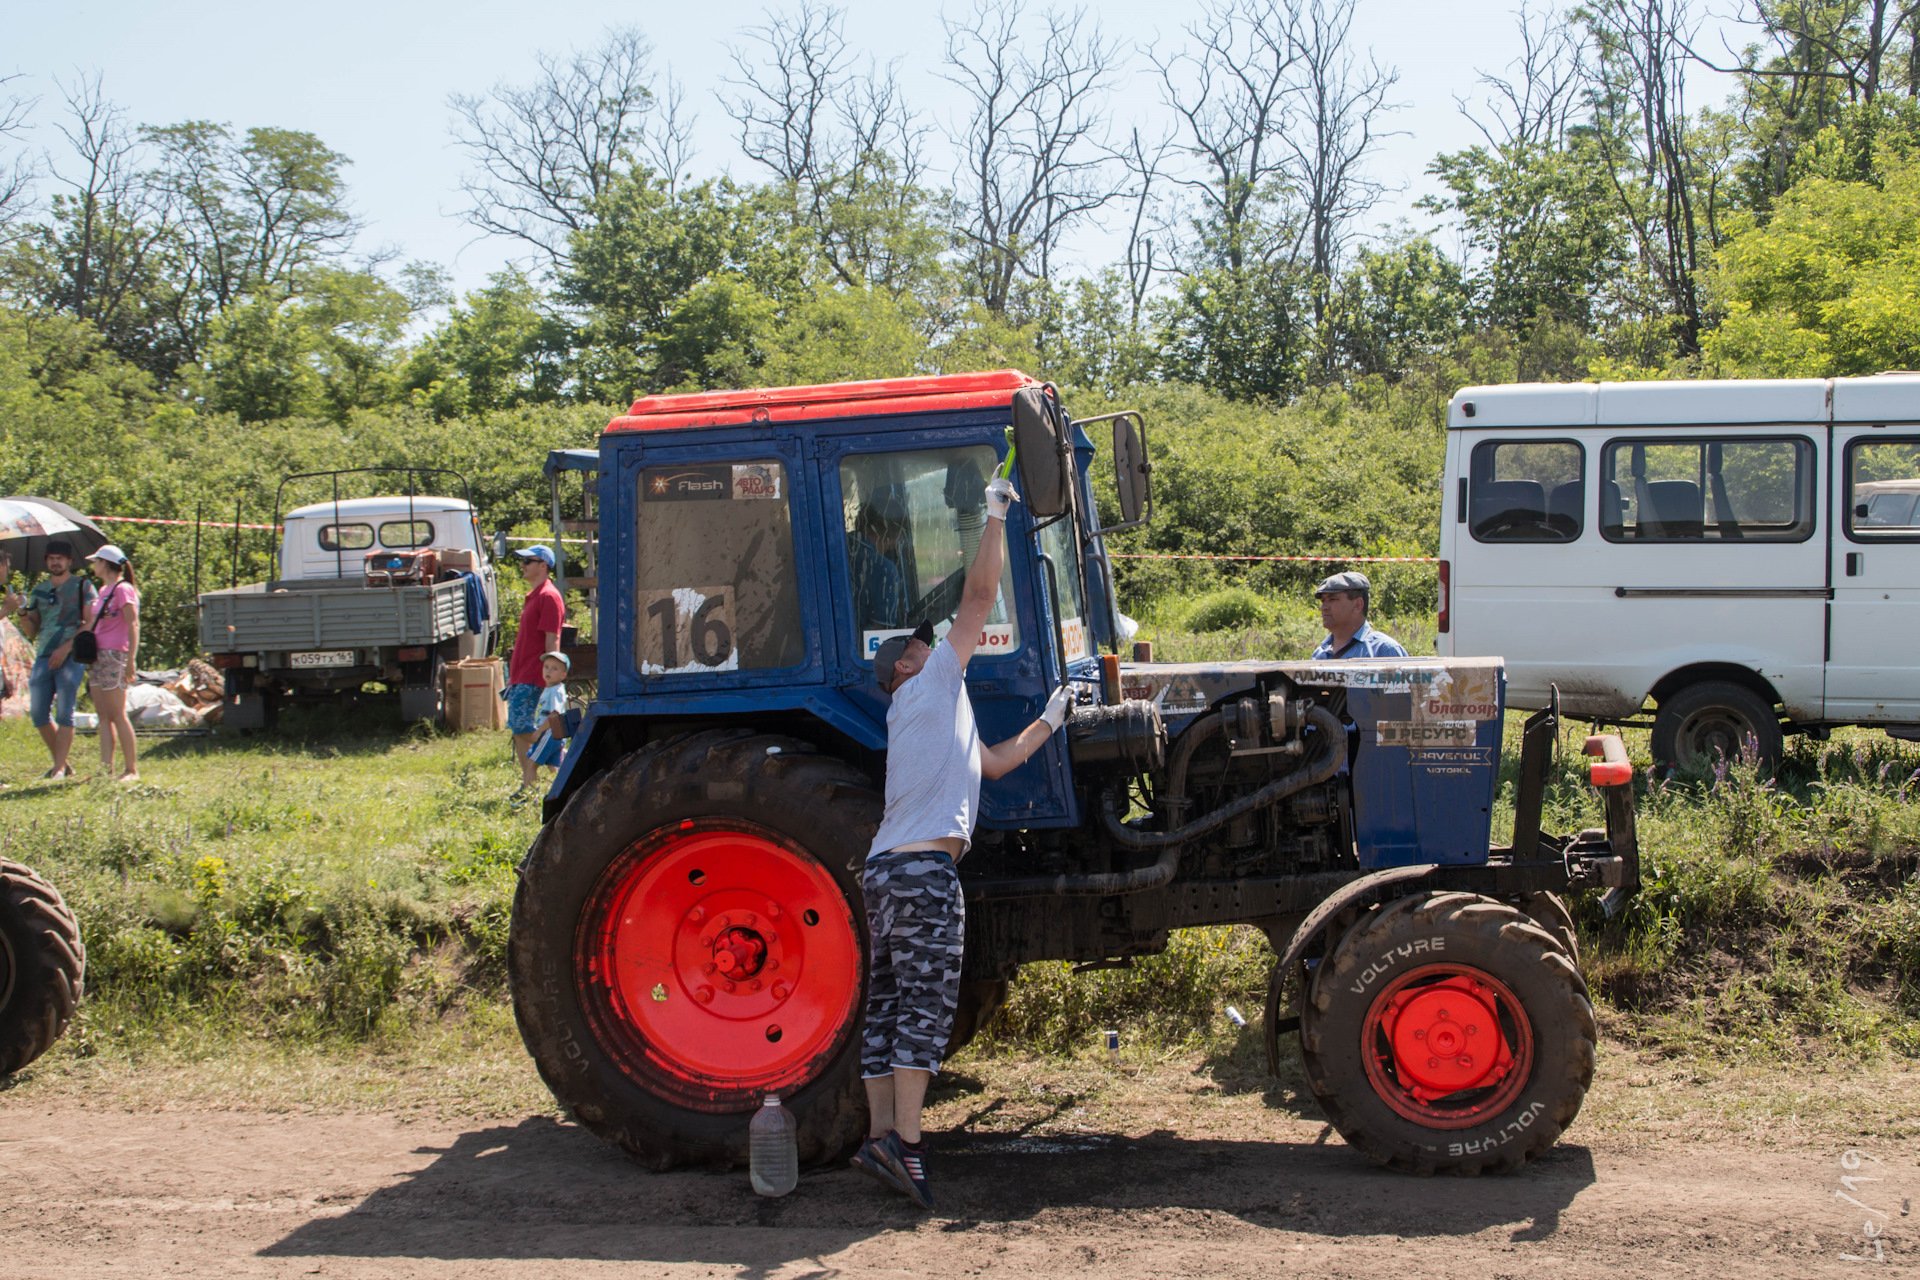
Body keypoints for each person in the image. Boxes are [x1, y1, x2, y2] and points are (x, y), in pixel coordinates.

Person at [849, 476, 1073, 1212]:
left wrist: (1050, 720)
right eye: (922, 642)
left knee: (887, 1004)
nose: (936, 641)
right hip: (920, 874)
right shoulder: (926, 685)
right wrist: (995, 516)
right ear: (906, 666)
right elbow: (977, 600)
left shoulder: (933, 716)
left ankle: (880, 1134)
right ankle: (905, 1147)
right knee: (924, 1008)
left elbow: (997, 762)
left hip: (886, 871)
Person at [3, 540, 96, 780]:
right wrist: (23, 611)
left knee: (65, 712)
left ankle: (57, 768)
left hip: (71, 656)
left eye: (60, 558)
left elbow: (89, 622)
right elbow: (32, 630)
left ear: (69, 561)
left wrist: (66, 648)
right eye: (51, 558)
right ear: (46, 561)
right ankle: (62, 764)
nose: (56, 562)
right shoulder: (39, 590)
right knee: (37, 713)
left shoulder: (83, 586)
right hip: (44, 655)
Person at [505, 546, 565, 796]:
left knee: (522, 730)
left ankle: (531, 784)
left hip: (534, 677)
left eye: (528, 561)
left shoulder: (548, 597)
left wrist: (548, 676)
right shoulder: (535, 595)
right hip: (523, 677)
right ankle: (555, 765)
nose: (523, 565)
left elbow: (552, 640)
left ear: (544, 565)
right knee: (522, 729)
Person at [84, 545, 140, 783]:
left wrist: (130, 660)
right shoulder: (103, 589)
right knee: (103, 714)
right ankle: (104, 770)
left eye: (95, 561)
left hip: (116, 655)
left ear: (104, 563)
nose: (93, 565)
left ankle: (131, 770)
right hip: (97, 656)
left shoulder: (122, 589)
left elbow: (133, 624)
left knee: (118, 714)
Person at [848, 485, 909, 630]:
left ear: (858, 522)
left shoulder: (836, 549)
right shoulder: (884, 570)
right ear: (896, 537)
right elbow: (880, 639)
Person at [1311, 570, 1408, 660]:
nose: (1324, 607)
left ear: (1358, 605)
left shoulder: (1383, 651)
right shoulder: (1319, 654)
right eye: (1323, 601)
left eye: (1332, 599)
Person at [525, 651, 572, 771]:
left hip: (551, 732)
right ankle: (555, 787)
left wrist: (539, 731)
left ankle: (530, 787)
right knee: (553, 765)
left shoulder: (555, 691)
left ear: (563, 675)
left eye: (554, 668)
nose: (548, 671)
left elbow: (554, 714)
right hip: (556, 732)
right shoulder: (550, 689)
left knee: (532, 762)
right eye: (546, 667)